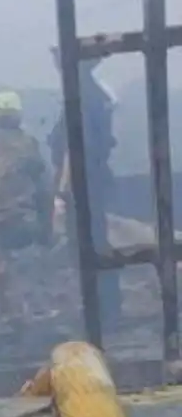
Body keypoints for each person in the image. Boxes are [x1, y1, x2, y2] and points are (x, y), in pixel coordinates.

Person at [49, 51, 121, 332]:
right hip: (92, 181)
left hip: (83, 183)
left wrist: (62, 190)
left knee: (88, 245)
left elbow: (74, 147)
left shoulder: (81, 98)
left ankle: (102, 310)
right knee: (94, 241)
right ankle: (105, 307)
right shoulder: (93, 94)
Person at [0, 90, 51, 334]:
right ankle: (8, 318)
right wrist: (45, 225)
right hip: (21, 217)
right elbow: (43, 187)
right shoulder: (27, 141)